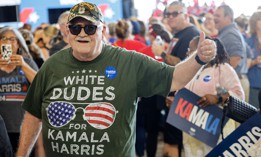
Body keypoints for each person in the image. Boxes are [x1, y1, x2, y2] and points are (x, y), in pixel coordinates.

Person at [16, 2, 216, 157]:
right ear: (67, 32)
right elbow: (34, 115)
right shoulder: (52, 65)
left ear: (103, 30)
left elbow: (175, 79)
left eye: (90, 27)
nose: (82, 33)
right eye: (76, 28)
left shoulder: (129, 61)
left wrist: (199, 58)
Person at [152, 1, 200, 156]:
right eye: (168, 14)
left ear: (185, 15)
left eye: (175, 13)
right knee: (171, 140)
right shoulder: (178, 34)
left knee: (177, 141)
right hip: (172, 95)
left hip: (181, 97)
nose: (170, 17)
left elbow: (186, 65)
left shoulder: (191, 34)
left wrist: (162, 53)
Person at [183, 36, 244, 157]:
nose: (188, 53)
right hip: (192, 126)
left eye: (191, 50)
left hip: (215, 128)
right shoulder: (191, 71)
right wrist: (174, 101)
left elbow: (239, 95)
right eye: (188, 50)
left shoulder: (222, 69)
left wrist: (218, 98)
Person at [0, 27, 38, 154]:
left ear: (18, 44)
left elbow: (40, 85)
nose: (7, 42)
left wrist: (23, 65)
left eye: (12, 39)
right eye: (3, 38)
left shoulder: (27, 62)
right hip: (2, 128)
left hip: (24, 126)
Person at [214, 5, 250, 103]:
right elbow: (248, 55)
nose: (214, 18)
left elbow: (236, 58)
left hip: (234, 83)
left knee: (231, 118)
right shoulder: (231, 32)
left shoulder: (230, 33)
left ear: (228, 18)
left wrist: (222, 77)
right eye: (214, 15)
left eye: (218, 16)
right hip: (239, 80)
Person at [246, 10, 261, 108]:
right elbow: (244, 66)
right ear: (254, 22)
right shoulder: (248, 42)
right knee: (254, 114)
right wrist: (255, 62)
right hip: (254, 85)